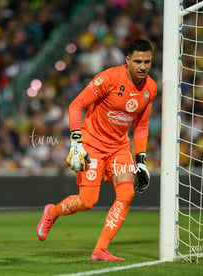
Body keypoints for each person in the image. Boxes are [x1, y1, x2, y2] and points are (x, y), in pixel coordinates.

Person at [37, 39, 157, 261]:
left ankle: (100, 250)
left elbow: (140, 125)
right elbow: (76, 105)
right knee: (87, 201)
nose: (143, 66)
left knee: (127, 194)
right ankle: (52, 212)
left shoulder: (150, 87)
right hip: (91, 144)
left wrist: (141, 160)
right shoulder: (109, 78)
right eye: (138, 61)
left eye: (147, 61)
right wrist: (76, 144)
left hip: (119, 146)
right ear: (127, 60)